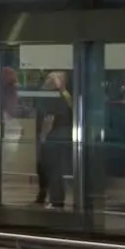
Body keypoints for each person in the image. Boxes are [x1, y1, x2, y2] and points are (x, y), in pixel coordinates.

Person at [39, 71, 72, 210]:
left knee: (54, 171)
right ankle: (58, 199)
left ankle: (55, 200)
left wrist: (43, 136)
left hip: (54, 137)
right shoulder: (66, 95)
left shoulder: (54, 97)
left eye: (49, 79)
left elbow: (49, 119)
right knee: (58, 171)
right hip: (65, 136)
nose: (45, 81)